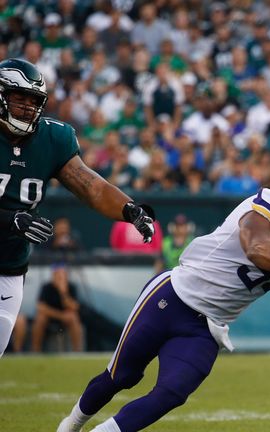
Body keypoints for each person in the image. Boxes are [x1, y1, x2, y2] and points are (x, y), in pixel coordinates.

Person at [57, 159, 270, 432]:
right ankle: (70, 425)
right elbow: (255, 246)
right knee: (121, 376)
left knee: (172, 393)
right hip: (173, 298)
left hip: (207, 326)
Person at [0, 58, 155, 357]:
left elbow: (91, 187)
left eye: (34, 101)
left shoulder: (53, 138)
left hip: (9, 264)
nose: (27, 108)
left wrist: (130, 210)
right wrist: (9, 219)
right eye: (19, 99)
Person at [31, 263, 83, 352]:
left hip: (66, 318)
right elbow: (41, 307)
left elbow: (75, 307)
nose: (59, 278)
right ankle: (35, 350)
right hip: (52, 316)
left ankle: (77, 351)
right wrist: (61, 316)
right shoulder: (47, 287)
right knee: (40, 318)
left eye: (62, 275)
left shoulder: (71, 287)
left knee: (73, 318)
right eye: (57, 275)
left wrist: (63, 292)